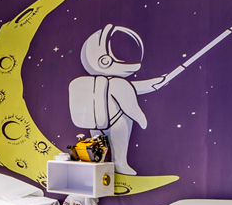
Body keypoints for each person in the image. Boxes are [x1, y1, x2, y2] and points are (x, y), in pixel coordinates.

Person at [67, 25, 165, 176]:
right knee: (119, 145)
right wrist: (141, 119)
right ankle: (120, 164)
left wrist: (153, 83)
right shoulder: (120, 83)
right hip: (117, 121)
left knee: (98, 147)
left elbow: (130, 87)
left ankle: (98, 163)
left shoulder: (84, 82)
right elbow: (130, 106)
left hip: (95, 123)